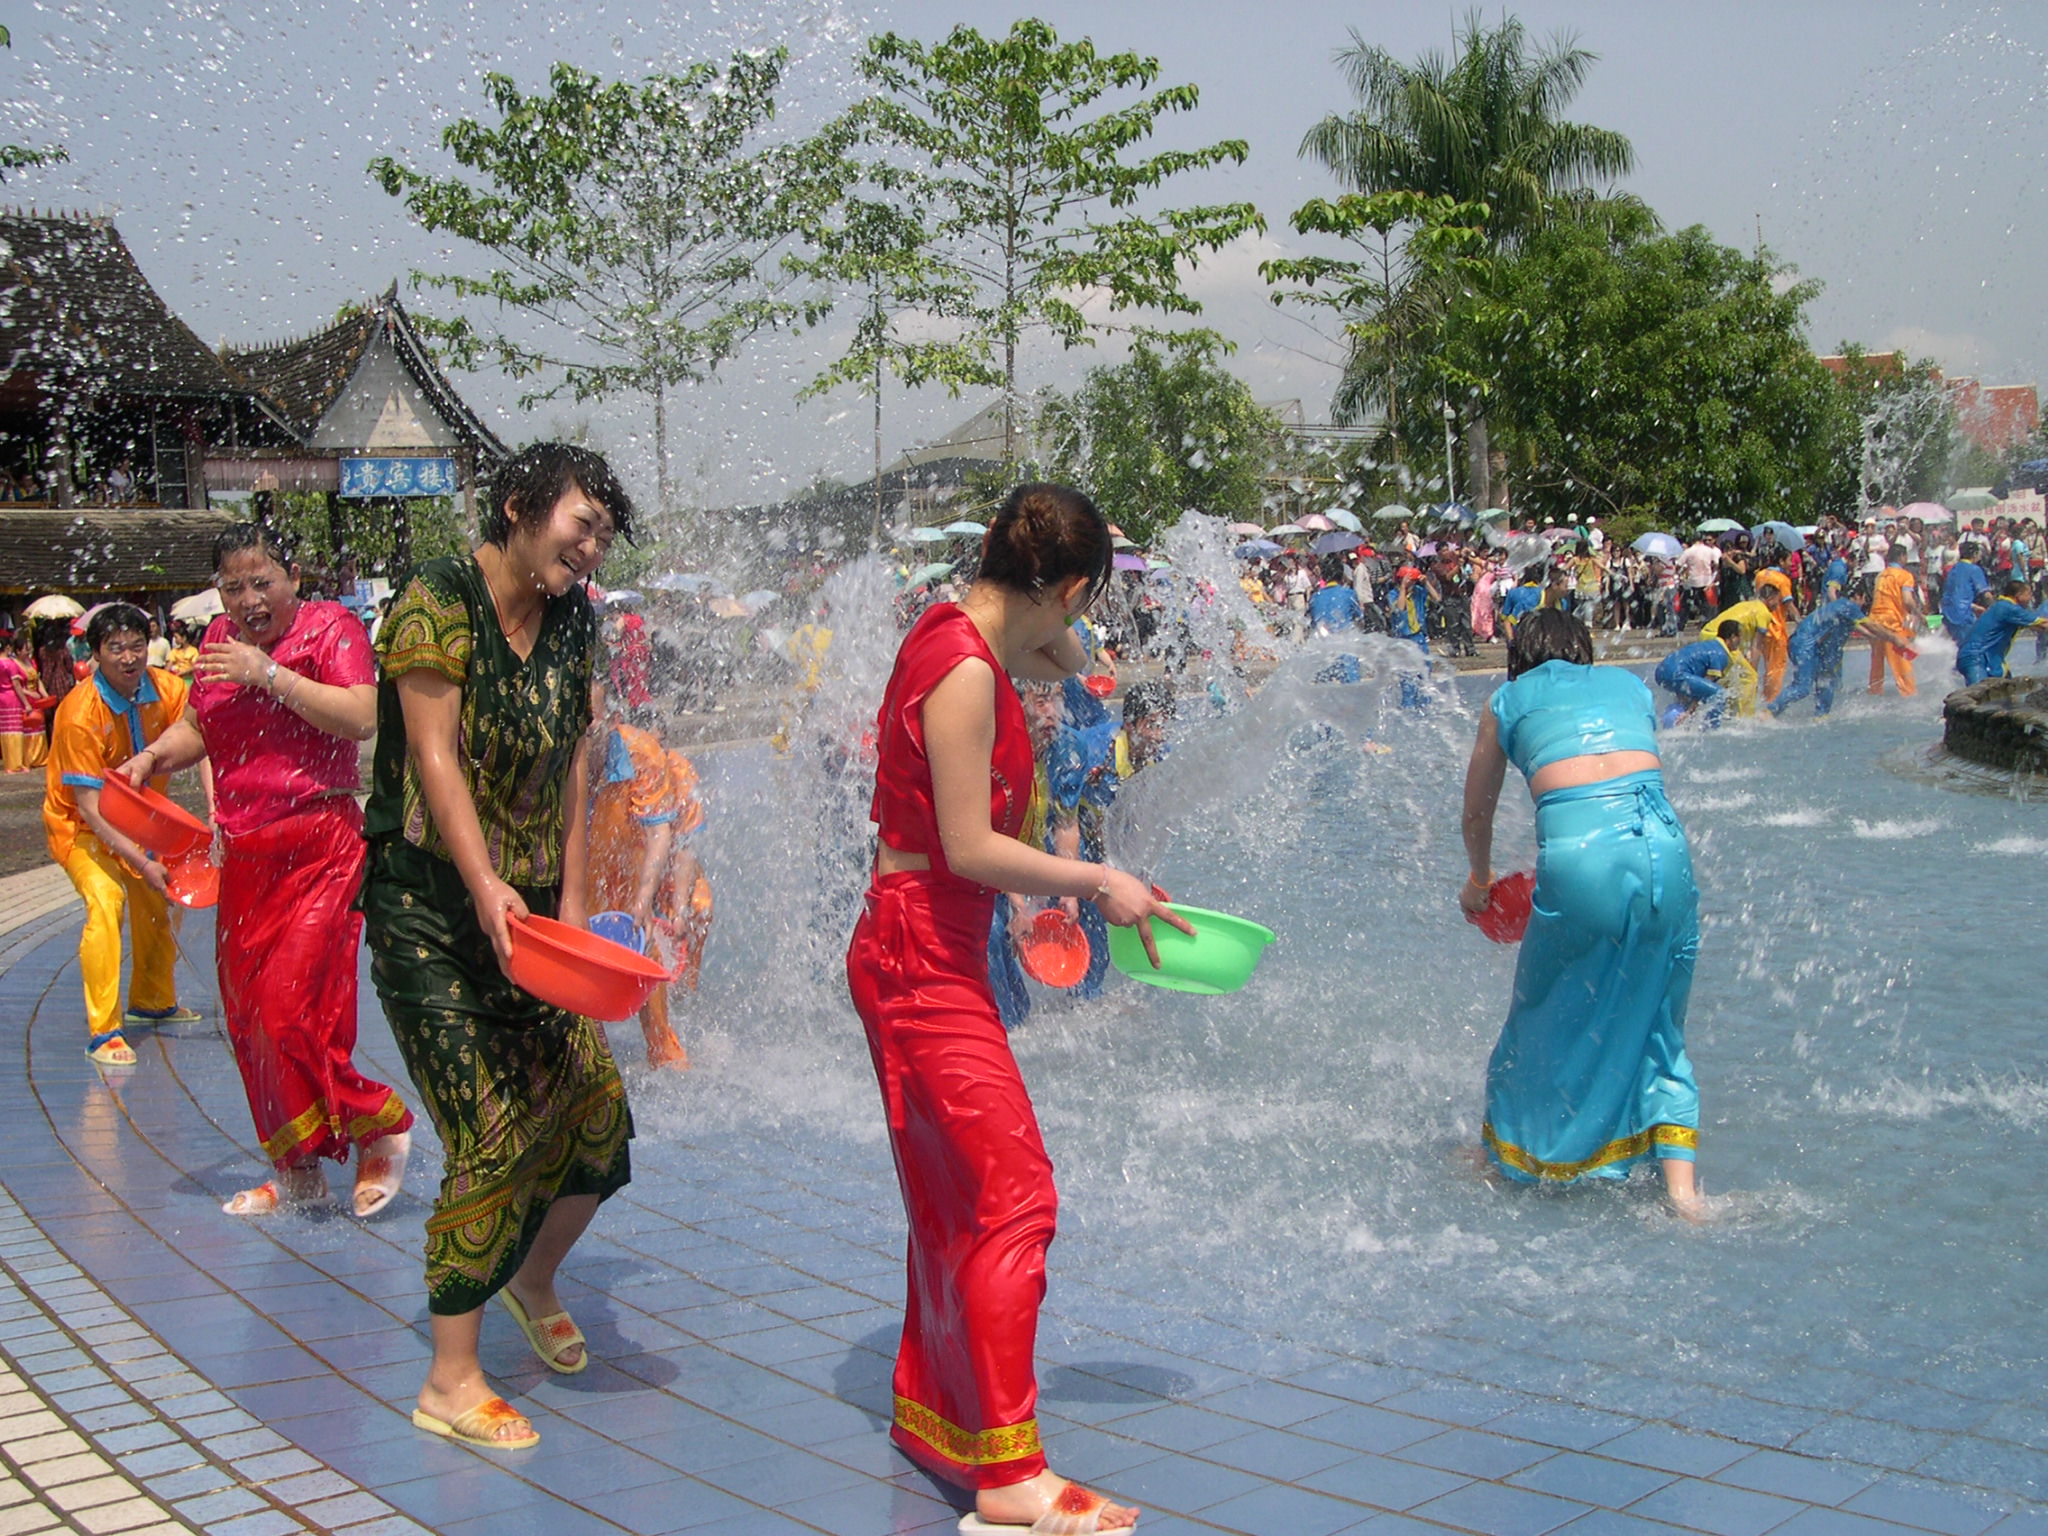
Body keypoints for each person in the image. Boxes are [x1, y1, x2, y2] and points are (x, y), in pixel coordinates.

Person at [846, 483, 1185, 1533]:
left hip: (926, 943)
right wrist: (1099, 883)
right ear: (1071, 584)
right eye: (1080, 600)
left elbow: (1062, 657)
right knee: (1012, 1198)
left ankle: (943, 1419)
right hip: (917, 950)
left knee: (958, 1198)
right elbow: (967, 848)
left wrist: (1077, 641)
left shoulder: (967, 637)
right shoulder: (956, 669)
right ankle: (1007, 1482)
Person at [360, 443, 636, 1452]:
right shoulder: (435, 598)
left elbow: (571, 765)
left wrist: (563, 903)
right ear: (519, 507)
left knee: (598, 1119)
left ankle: (532, 1276)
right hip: (428, 907)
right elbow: (430, 754)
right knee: (489, 1133)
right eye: (580, 523)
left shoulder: (573, 622)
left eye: (603, 532)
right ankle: (450, 1379)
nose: (591, 546)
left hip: (526, 916)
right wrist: (481, 887)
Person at [117, 524, 414, 1217]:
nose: (248, 600)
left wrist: (271, 674)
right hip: (246, 858)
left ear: (294, 577)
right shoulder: (218, 640)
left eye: (262, 582)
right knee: (249, 1022)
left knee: (290, 1014)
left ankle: (382, 1126)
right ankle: (298, 1172)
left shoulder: (330, 627)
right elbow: (204, 723)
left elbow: (363, 717)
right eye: (232, 586)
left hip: (320, 848)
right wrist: (154, 758)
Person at [1459, 608, 1703, 1215]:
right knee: (1657, 1020)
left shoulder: (1508, 700)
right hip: (1666, 854)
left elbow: (1476, 815)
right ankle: (1685, 1196)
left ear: (1520, 658)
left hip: (1579, 865)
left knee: (1538, 1014)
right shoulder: (1627, 684)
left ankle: (1499, 1161)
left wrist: (1480, 880)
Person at [42, 604, 201, 1066]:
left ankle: (152, 1001)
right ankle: (103, 1031)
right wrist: (144, 860)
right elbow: (90, 808)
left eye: (136, 646)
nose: (129, 658)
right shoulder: (78, 714)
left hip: (140, 821)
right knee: (107, 898)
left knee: (159, 900)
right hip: (80, 828)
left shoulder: (168, 688)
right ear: (94, 654)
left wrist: (213, 809)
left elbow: (201, 739)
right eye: (115, 648)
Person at [582, 669, 692, 1069]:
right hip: (576, 854)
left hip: (628, 851)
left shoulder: (641, 752)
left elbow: (661, 835)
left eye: (590, 720)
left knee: (640, 934)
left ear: (611, 721)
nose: (582, 729)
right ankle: (583, 1053)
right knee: (577, 947)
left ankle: (662, 1045)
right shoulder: (559, 748)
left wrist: (645, 899)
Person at [1768, 593, 1891, 718]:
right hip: (1804, 645)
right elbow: (1872, 626)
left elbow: (1861, 628)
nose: (1863, 604)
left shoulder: (1840, 607)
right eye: (1864, 599)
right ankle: (1769, 711)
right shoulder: (1849, 606)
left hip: (1807, 645)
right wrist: (1896, 639)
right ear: (1858, 597)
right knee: (1802, 687)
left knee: (1826, 679)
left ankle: (1821, 715)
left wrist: (1878, 638)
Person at [1653, 621, 1744, 728]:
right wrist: (1690, 711)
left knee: (1687, 700)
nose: (1741, 641)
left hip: (1661, 671)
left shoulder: (1709, 645)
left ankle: (1672, 722)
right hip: (1678, 673)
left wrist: (1689, 708)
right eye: (1740, 637)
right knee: (1720, 694)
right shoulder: (1721, 654)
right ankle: (1711, 729)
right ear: (1733, 637)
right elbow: (1705, 688)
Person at [1955, 582, 2048, 686]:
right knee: (1978, 695)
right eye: (2029, 594)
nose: (2031, 597)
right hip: (1976, 658)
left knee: (2009, 694)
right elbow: (2044, 624)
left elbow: (2038, 627)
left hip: (1989, 658)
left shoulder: (2002, 606)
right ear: (2019, 595)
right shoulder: (2009, 608)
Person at [1866, 543, 1921, 697]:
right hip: (1892, 623)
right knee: (1900, 662)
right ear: (1902, 557)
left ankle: (1874, 692)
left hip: (1874, 622)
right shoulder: (1905, 575)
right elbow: (1908, 600)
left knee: (1877, 661)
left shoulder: (1881, 575)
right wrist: (1919, 614)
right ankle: (1909, 694)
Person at [1941, 542, 1990, 646]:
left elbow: (1954, 595)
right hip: (1963, 616)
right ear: (1975, 554)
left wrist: (1974, 607)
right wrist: (1997, 608)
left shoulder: (1952, 569)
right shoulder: (1974, 569)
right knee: (1972, 647)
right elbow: (1986, 595)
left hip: (1947, 614)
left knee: (1958, 647)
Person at [1, 629, 35, 772]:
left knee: (4, 731)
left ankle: (9, 764)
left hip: (1, 698)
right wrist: (26, 703)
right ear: (8, 648)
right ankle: (16, 764)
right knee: (15, 730)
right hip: (11, 698)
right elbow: (16, 685)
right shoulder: (10, 664)